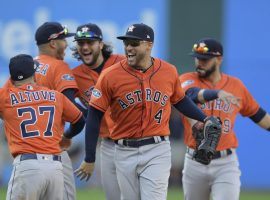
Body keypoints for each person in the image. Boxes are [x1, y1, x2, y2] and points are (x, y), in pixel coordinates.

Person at [75, 23, 220, 200]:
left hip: (157, 148)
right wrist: (89, 157)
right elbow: (94, 116)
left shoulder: (168, 71)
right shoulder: (110, 75)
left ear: (149, 45)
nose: (129, 48)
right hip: (123, 150)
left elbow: (181, 101)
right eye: (126, 43)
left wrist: (204, 119)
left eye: (134, 44)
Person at [179, 38, 270, 200]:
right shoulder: (187, 78)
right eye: (197, 57)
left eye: (205, 59)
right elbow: (188, 95)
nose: (199, 62)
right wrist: (216, 93)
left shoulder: (236, 86)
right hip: (195, 160)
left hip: (225, 163)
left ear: (219, 59)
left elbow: (258, 115)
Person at [1, 54, 84, 200]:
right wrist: (66, 136)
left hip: (27, 167)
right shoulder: (55, 96)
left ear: (12, 78)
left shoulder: (5, 97)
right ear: (34, 74)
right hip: (55, 169)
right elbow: (79, 121)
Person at [72, 23, 125, 200]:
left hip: (134, 141)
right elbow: (64, 101)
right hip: (108, 145)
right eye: (80, 43)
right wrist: (85, 112)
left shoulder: (122, 63)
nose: (85, 47)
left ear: (101, 44)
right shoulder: (75, 75)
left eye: (90, 42)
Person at [34, 22, 80, 200]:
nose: (66, 44)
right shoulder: (58, 66)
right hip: (54, 151)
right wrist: (68, 135)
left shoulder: (25, 67)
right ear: (53, 43)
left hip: (26, 153)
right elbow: (73, 112)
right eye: (63, 39)